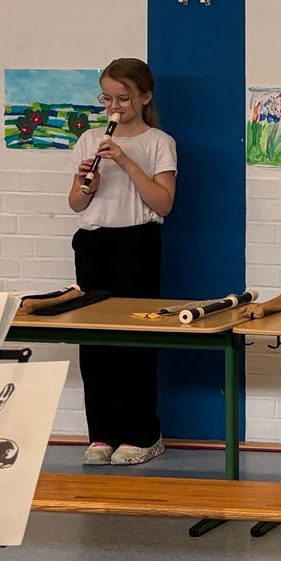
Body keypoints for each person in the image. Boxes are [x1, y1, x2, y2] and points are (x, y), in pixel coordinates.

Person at [66, 57, 176, 466]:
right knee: (95, 345)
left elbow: (164, 203)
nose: (114, 107)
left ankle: (143, 434)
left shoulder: (158, 142)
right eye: (107, 98)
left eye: (124, 99)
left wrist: (127, 162)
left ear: (145, 97)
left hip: (137, 244)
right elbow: (76, 204)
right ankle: (102, 434)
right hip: (93, 245)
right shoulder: (89, 139)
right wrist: (88, 184)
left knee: (135, 343)